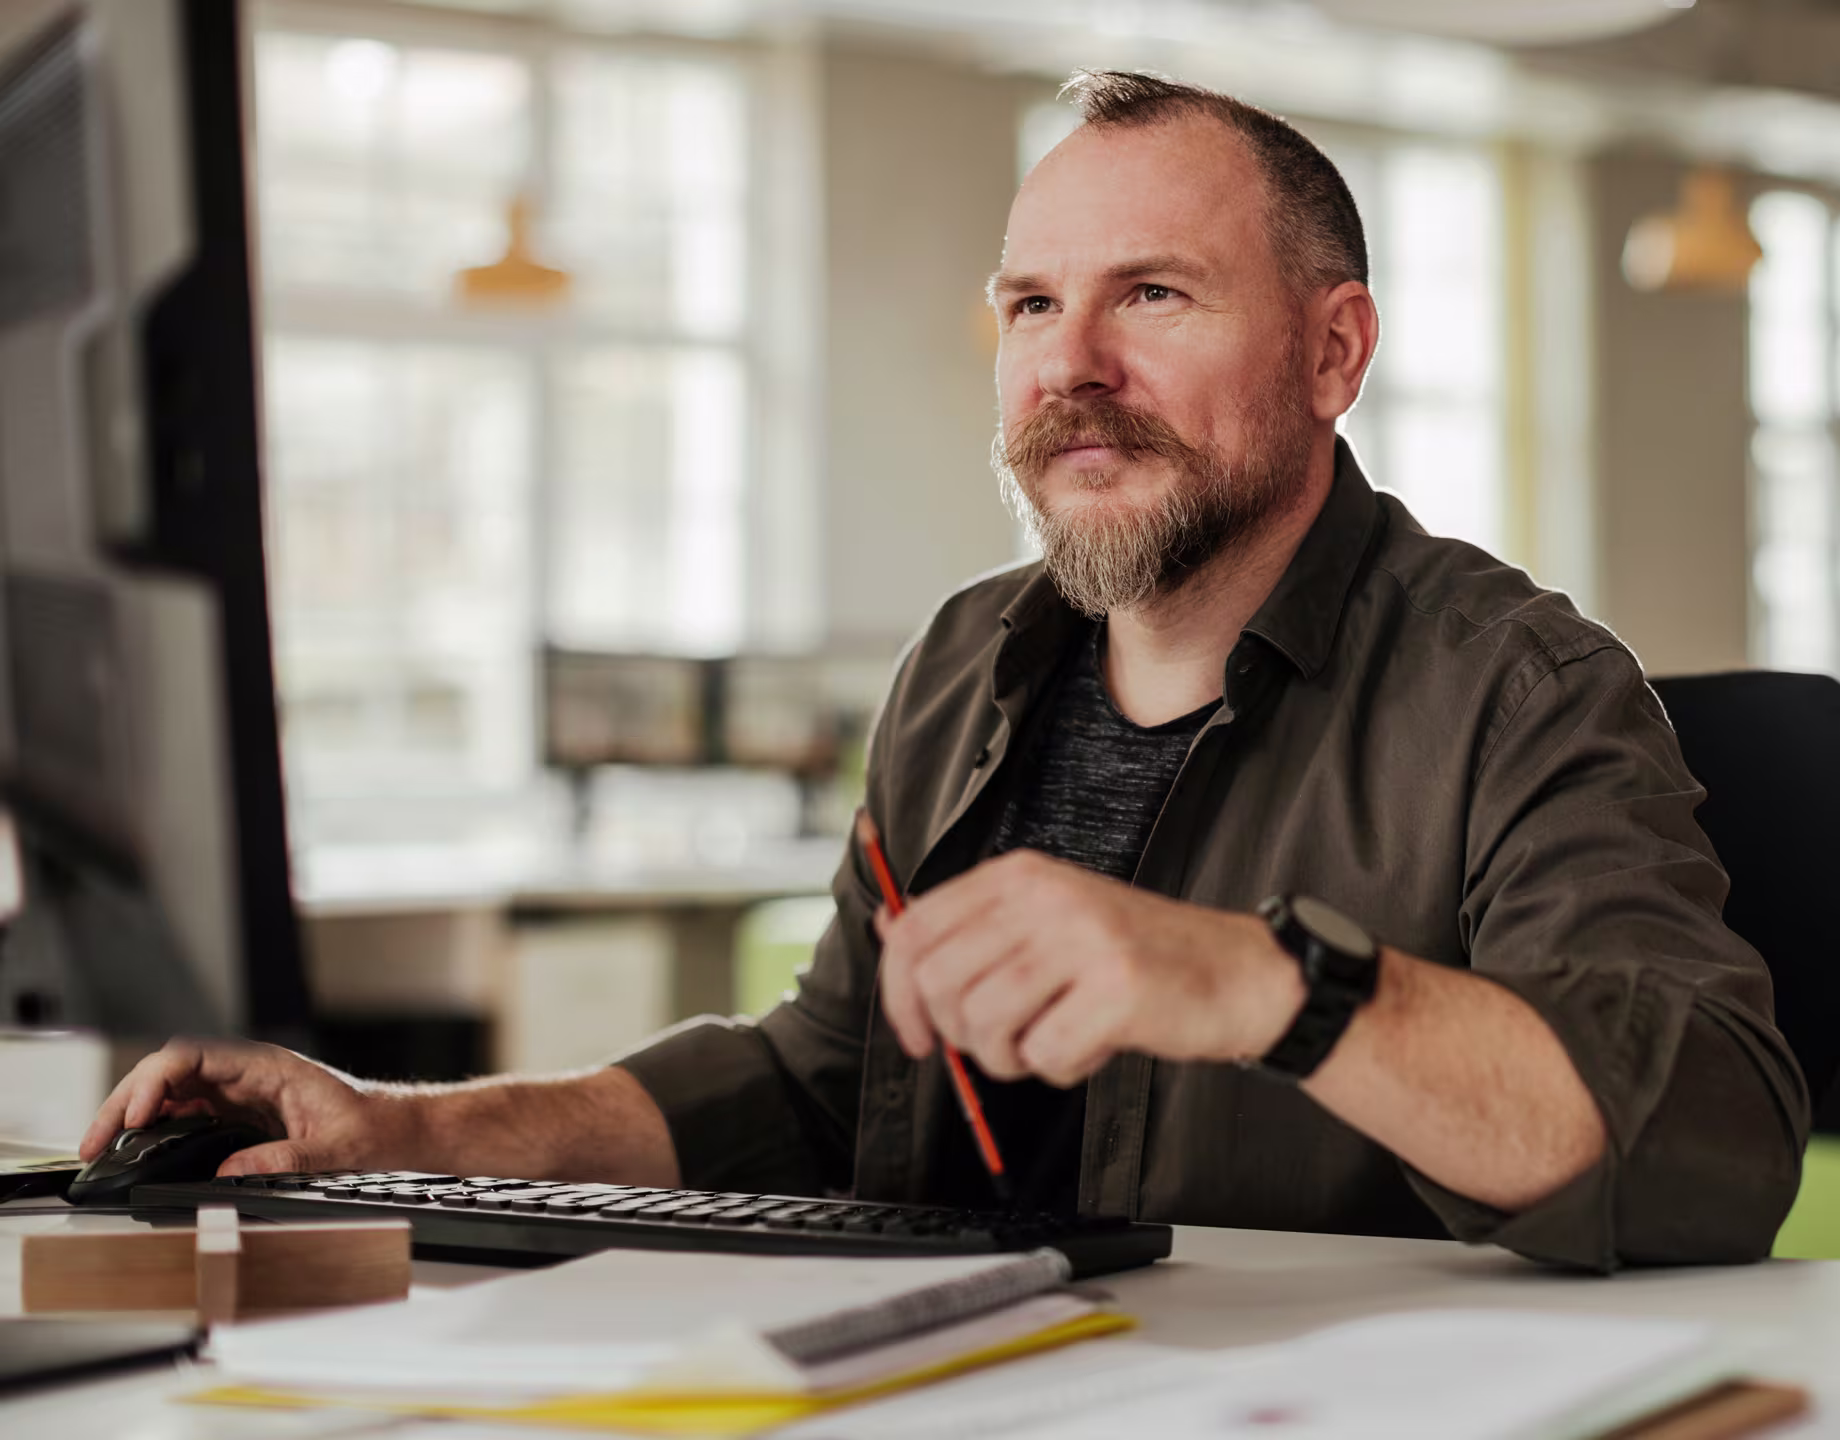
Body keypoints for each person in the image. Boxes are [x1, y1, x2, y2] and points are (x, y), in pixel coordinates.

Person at [85, 71, 1806, 1272]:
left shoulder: (1524, 687)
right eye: (1031, 305)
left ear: (1334, 350)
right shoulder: (965, 665)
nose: (1075, 367)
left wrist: (1268, 983)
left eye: (1154, 296)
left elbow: (1711, 1139)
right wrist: (404, 1133)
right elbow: (822, 1078)